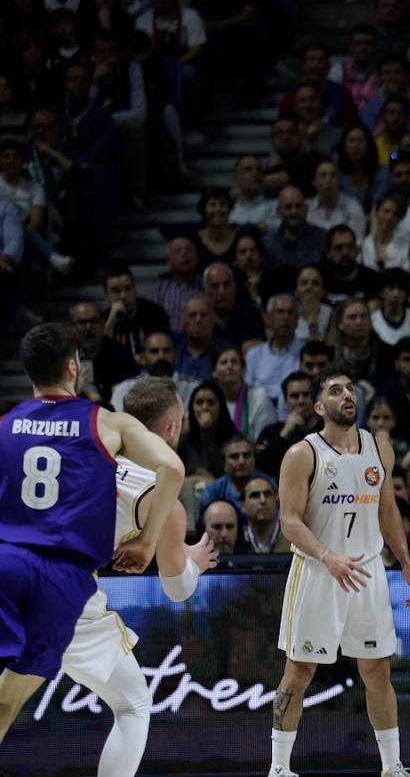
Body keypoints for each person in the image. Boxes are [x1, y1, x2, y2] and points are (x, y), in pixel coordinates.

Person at [0, 323, 185, 742]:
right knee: (127, 702)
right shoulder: (104, 422)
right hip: (57, 578)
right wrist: (147, 540)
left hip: (8, 566)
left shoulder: (6, 424)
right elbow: (171, 468)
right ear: (73, 366)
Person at [59, 378, 220, 777]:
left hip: (14, 571)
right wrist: (194, 561)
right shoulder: (159, 495)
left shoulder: (82, 450)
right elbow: (177, 588)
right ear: (171, 427)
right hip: (63, 593)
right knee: (132, 704)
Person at [268, 367, 410, 777]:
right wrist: (327, 556)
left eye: (351, 388)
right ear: (319, 407)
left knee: (377, 670)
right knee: (299, 672)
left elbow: (387, 510)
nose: (346, 395)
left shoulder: (378, 446)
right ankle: (279, 768)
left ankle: (392, 766)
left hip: (367, 570)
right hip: (319, 572)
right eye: (335, 391)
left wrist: (405, 563)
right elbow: (290, 521)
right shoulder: (303, 454)